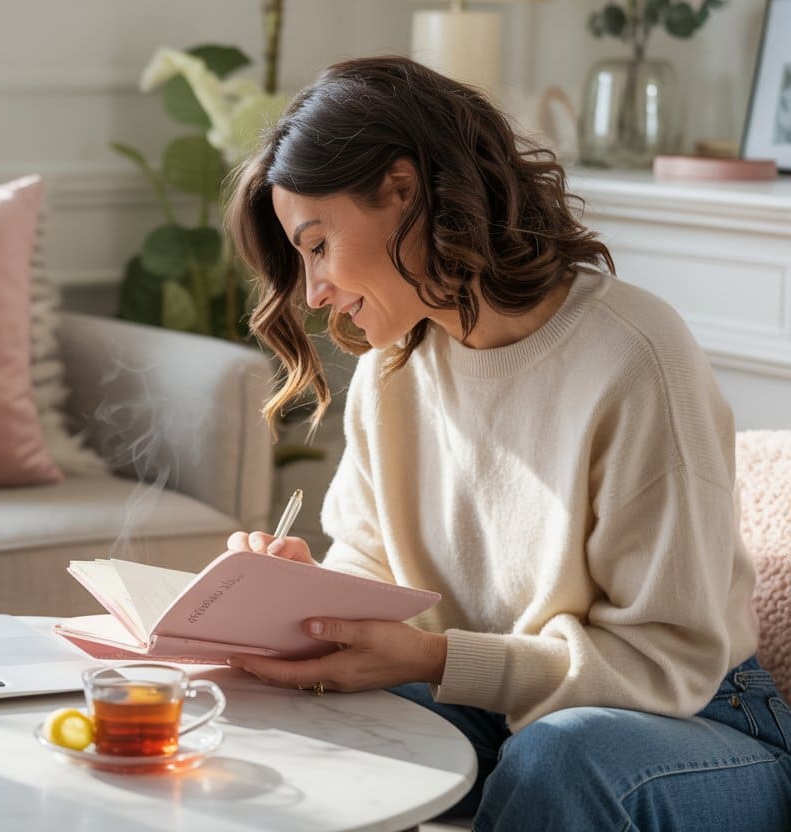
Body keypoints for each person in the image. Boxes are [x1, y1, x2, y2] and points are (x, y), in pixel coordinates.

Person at [223, 56, 791, 831]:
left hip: (695, 724)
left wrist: (438, 660)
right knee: (308, 712)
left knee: (560, 758)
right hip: (502, 705)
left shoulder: (632, 354)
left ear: (401, 190)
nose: (314, 291)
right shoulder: (396, 366)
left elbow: (667, 661)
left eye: (317, 244)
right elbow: (379, 572)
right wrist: (311, 601)